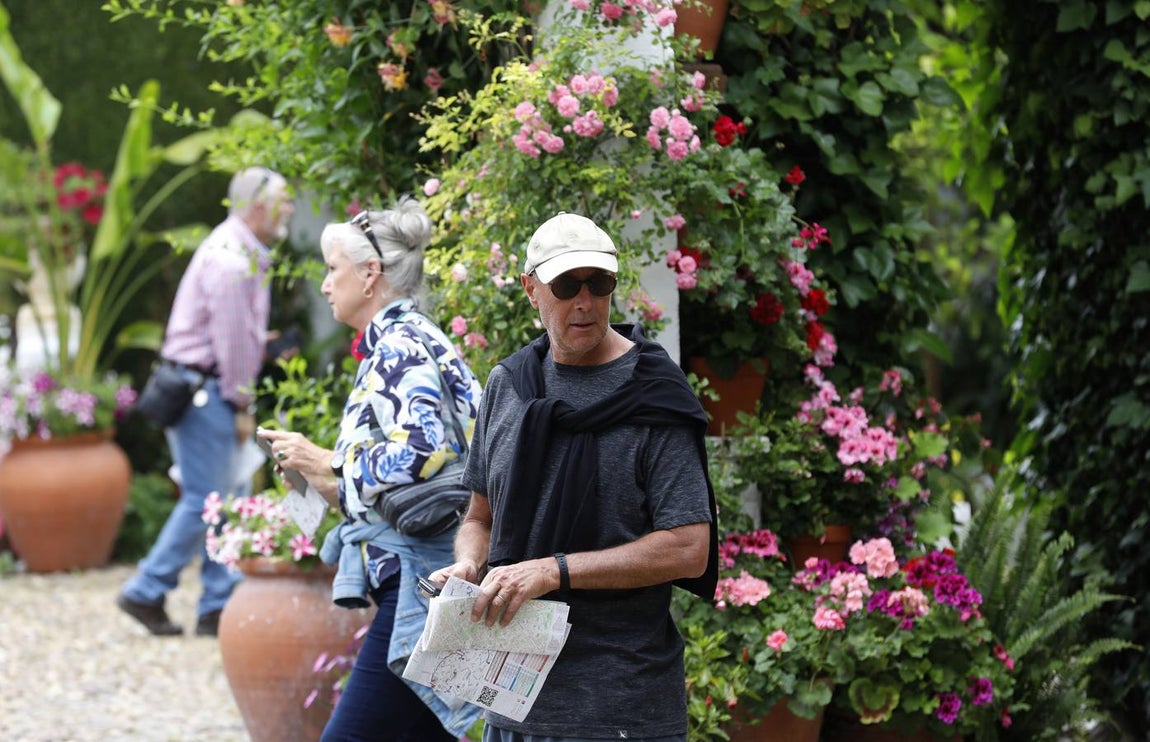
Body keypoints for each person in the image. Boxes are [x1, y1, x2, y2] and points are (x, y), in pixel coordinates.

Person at [429, 211, 719, 742]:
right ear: (531, 289)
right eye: (566, 285)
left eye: (599, 283)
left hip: (619, 707)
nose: (584, 302)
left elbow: (688, 547)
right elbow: (479, 515)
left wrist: (554, 570)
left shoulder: (655, 395)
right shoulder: (509, 386)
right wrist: (469, 566)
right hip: (511, 697)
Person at [257, 196, 484, 741]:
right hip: (431, 578)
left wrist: (334, 461)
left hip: (419, 585)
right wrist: (318, 477)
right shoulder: (406, 340)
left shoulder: (400, 347)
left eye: (332, 269)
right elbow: (397, 484)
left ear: (370, 274)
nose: (325, 285)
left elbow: (425, 449)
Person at [116, 166, 295, 637]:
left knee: (222, 497)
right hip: (207, 393)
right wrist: (241, 405)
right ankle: (146, 589)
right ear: (259, 207)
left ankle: (217, 603)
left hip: (199, 386)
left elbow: (235, 335)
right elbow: (232, 348)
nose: (291, 209)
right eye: (284, 200)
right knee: (206, 499)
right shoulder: (234, 261)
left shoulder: (236, 247)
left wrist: (262, 343)